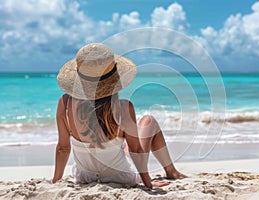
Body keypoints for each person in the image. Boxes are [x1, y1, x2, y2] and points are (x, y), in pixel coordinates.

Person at [52, 43, 186, 189]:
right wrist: (147, 183)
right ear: (114, 77)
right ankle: (171, 171)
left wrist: (56, 180)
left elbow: (63, 148)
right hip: (121, 177)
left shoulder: (65, 103)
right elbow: (137, 150)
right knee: (149, 121)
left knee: (122, 146)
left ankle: (170, 170)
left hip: (85, 177)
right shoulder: (123, 107)